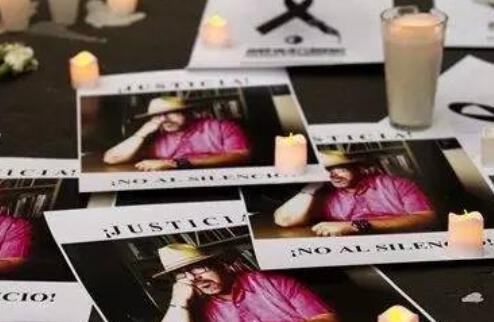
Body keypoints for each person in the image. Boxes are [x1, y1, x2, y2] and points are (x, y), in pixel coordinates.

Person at [152, 244, 338, 322]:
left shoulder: (273, 282)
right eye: (181, 274)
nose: (193, 279)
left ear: (221, 265)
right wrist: (178, 300)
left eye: (197, 268)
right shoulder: (198, 307)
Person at [274, 151, 436, 236]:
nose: (333, 176)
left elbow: (426, 217)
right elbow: (284, 220)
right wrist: (313, 185)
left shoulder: (396, 184)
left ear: (358, 168)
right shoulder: (323, 195)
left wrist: (353, 226)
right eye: (326, 171)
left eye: (339, 169)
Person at [102, 96, 251, 171]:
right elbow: (111, 159)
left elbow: (241, 155)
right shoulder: (155, 137)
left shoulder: (222, 127)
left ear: (189, 112)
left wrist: (173, 163)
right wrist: (142, 132)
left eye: (171, 113)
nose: (164, 119)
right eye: (157, 116)